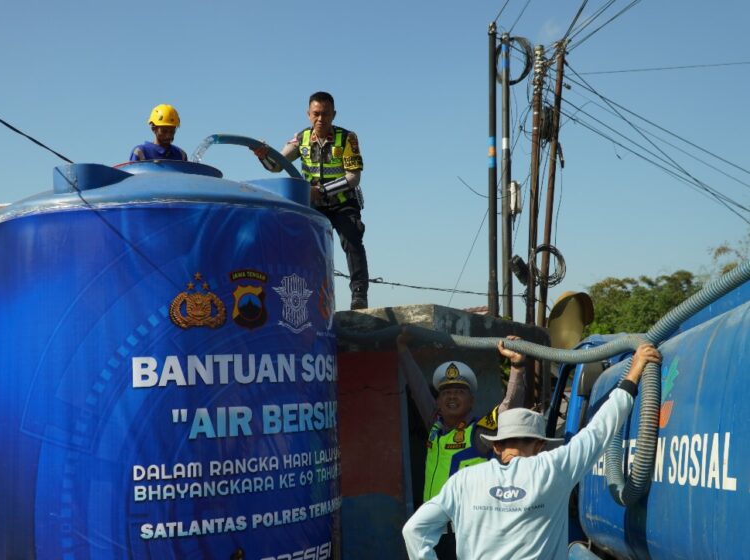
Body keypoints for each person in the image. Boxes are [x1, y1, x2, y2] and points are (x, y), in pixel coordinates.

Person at [402, 343, 663, 560]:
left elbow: (414, 530)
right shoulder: (553, 469)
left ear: (496, 445)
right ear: (540, 445)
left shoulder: (463, 481)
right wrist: (633, 374)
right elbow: (600, 431)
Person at [397, 329, 527, 559]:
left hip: (468, 533)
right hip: (435, 531)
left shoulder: (478, 432)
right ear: (438, 400)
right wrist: (403, 350)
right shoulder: (435, 426)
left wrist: (517, 368)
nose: (452, 397)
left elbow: (509, 408)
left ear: (471, 401)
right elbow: (418, 389)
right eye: (446, 392)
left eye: (459, 392)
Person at [252, 91, 369, 310]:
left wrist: (321, 190)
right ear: (308, 114)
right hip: (315, 206)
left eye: (325, 114)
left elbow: (353, 177)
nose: (320, 119)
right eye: (316, 114)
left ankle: (359, 296)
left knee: (352, 241)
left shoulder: (347, 138)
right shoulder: (301, 138)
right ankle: (314, 297)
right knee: (310, 248)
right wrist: (263, 155)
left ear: (334, 115)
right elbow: (276, 165)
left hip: (343, 201)